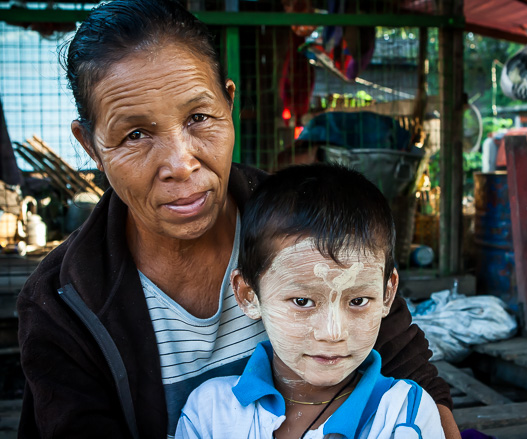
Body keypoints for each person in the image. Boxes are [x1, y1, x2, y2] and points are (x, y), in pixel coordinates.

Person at [16, 0, 459, 438]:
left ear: (229, 104)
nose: (180, 163)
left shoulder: (311, 223)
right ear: (90, 145)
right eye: (135, 134)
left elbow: (413, 377)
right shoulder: (64, 300)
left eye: (199, 117)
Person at [176, 163, 446, 439]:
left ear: (388, 294)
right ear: (249, 296)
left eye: (358, 301)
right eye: (303, 301)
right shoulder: (211, 412)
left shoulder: (405, 415)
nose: (332, 333)